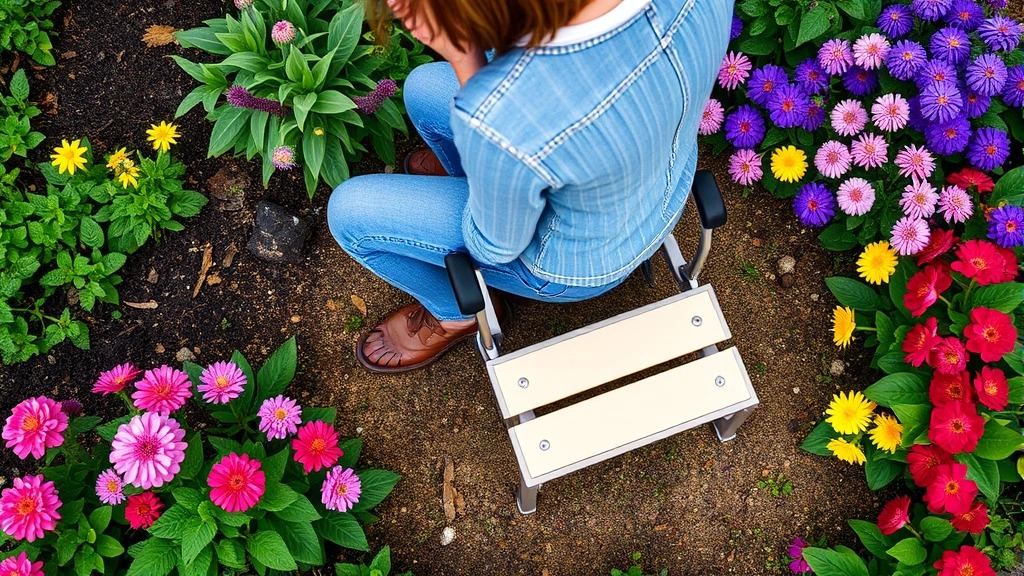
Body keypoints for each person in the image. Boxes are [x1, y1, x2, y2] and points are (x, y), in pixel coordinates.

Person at [328, 0, 733, 373]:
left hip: (571, 264)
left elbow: (493, 246)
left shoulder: (507, 116)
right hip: (663, 181)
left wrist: (465, 64)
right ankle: (495, 182)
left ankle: (456, 311)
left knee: (348, 214)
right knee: (423, 89)